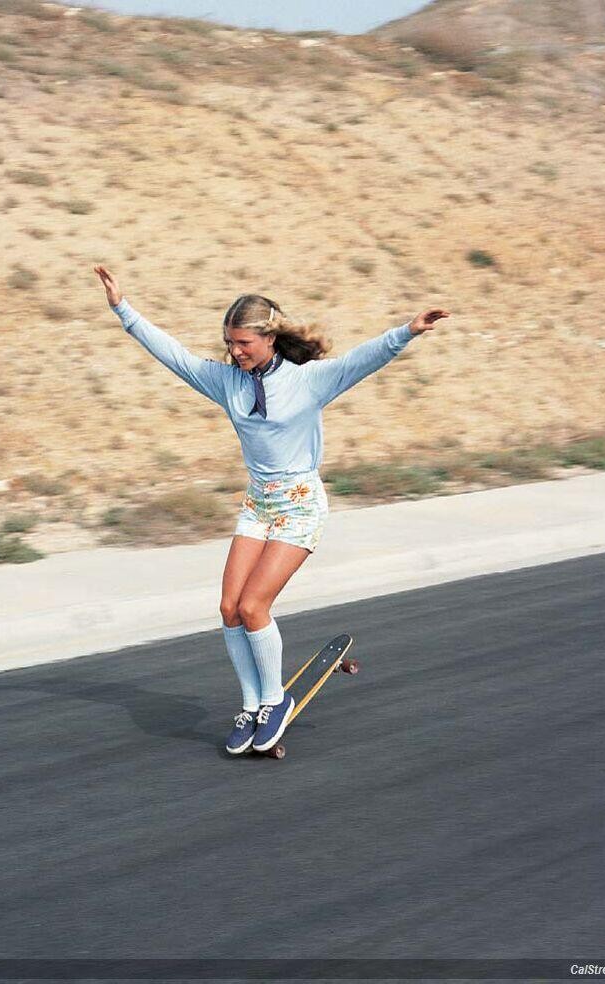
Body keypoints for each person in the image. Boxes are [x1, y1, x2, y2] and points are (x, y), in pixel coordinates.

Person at [94, 264, 449, 755]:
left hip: (300, 503)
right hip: (258, 502)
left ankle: (275, 701)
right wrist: (123, 309)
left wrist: (407, 332)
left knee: (254, 606)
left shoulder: (308, 382)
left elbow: (364, 360)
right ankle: (252, 704)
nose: (234, 352)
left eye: (243, 343)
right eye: (229, 343)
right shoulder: (226, 382)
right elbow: (172, 354)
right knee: (228, 608)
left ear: (269, 339)